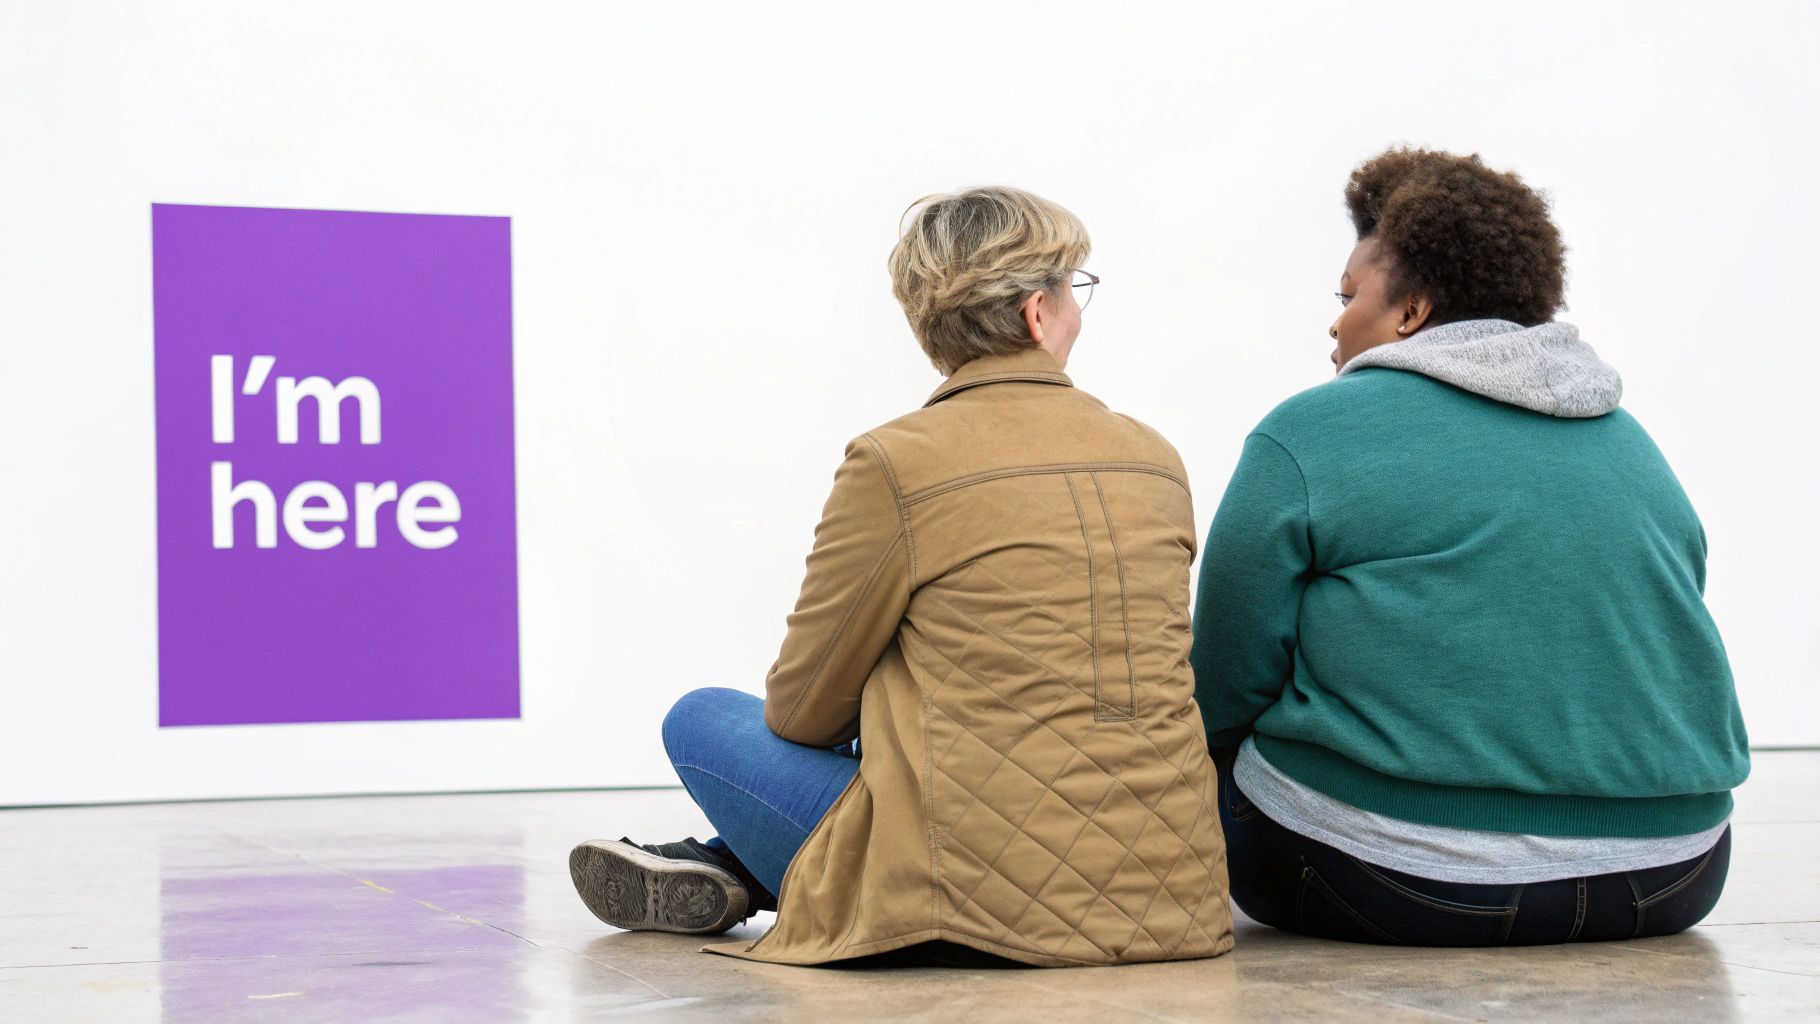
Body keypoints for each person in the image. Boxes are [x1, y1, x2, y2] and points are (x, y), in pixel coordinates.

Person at [570, 186, 1233, 967]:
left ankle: (736, 865)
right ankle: (728, 861)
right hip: (1173, 896)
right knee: (919, 700)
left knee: (703, 718)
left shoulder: (897, 460)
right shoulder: (1155, 456)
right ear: (1036, 314)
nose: (1078, 312)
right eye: (1074, 290)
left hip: (979, 902)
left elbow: (803, 713)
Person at [1191, 147, 1750, 946]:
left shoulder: (1307, 430)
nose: (1334, 320)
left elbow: (1227, 678)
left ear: (1411, 312)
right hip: (1676, 874)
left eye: (1348, 296)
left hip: (1399, 877)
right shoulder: (1631, 442)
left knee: (1210, 758)